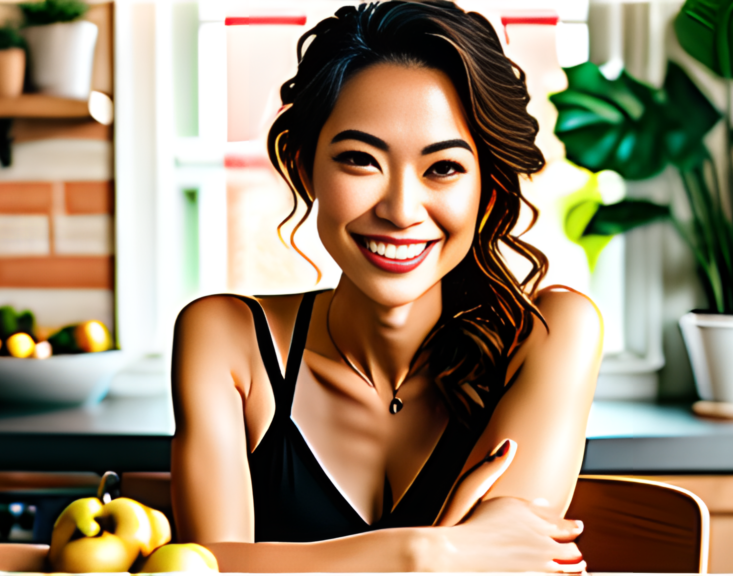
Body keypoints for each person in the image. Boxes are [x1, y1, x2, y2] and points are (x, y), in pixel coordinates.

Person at [170, 1, 603, 571]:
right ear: (305, 169)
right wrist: (422, 552)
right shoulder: (226, 340)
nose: (400, 211)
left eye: (443, 168)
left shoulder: (552, 333)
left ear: (489, 190)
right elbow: (202, 570)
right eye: (359, 160)